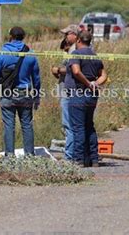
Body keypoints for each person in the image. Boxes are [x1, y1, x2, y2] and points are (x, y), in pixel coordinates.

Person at [0, 27, 41, 156]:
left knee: (9, 126)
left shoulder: (2, 54)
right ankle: (29, 155)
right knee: (27, 125)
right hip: (25, 93)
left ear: (10, 36)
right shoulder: (30, 54)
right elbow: (36, 78)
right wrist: (37, 95)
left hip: (7, 94)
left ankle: (10, 156)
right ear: (23, 37)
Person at [65, 30, 107, 167]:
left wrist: (88, 83)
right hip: (92, 96)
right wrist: (95, 83)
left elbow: (76, 71)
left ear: (78, 41)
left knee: (78, 128)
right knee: (89, 126)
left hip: (79, 93)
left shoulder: (76, 54)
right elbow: (104, 76)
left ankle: (79, 160)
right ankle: (93, 159)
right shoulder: (95, 56)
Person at [51, 25, 78, 160]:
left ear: (74, 35)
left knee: (69, 124)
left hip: (69, 91)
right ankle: (76, 153)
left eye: (67, 34)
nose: (65, 37)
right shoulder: (70, 50)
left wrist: (58, 70)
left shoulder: (75, 51)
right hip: (67, 89)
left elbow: (74, 70)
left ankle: (70, 156)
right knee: (73, 124)